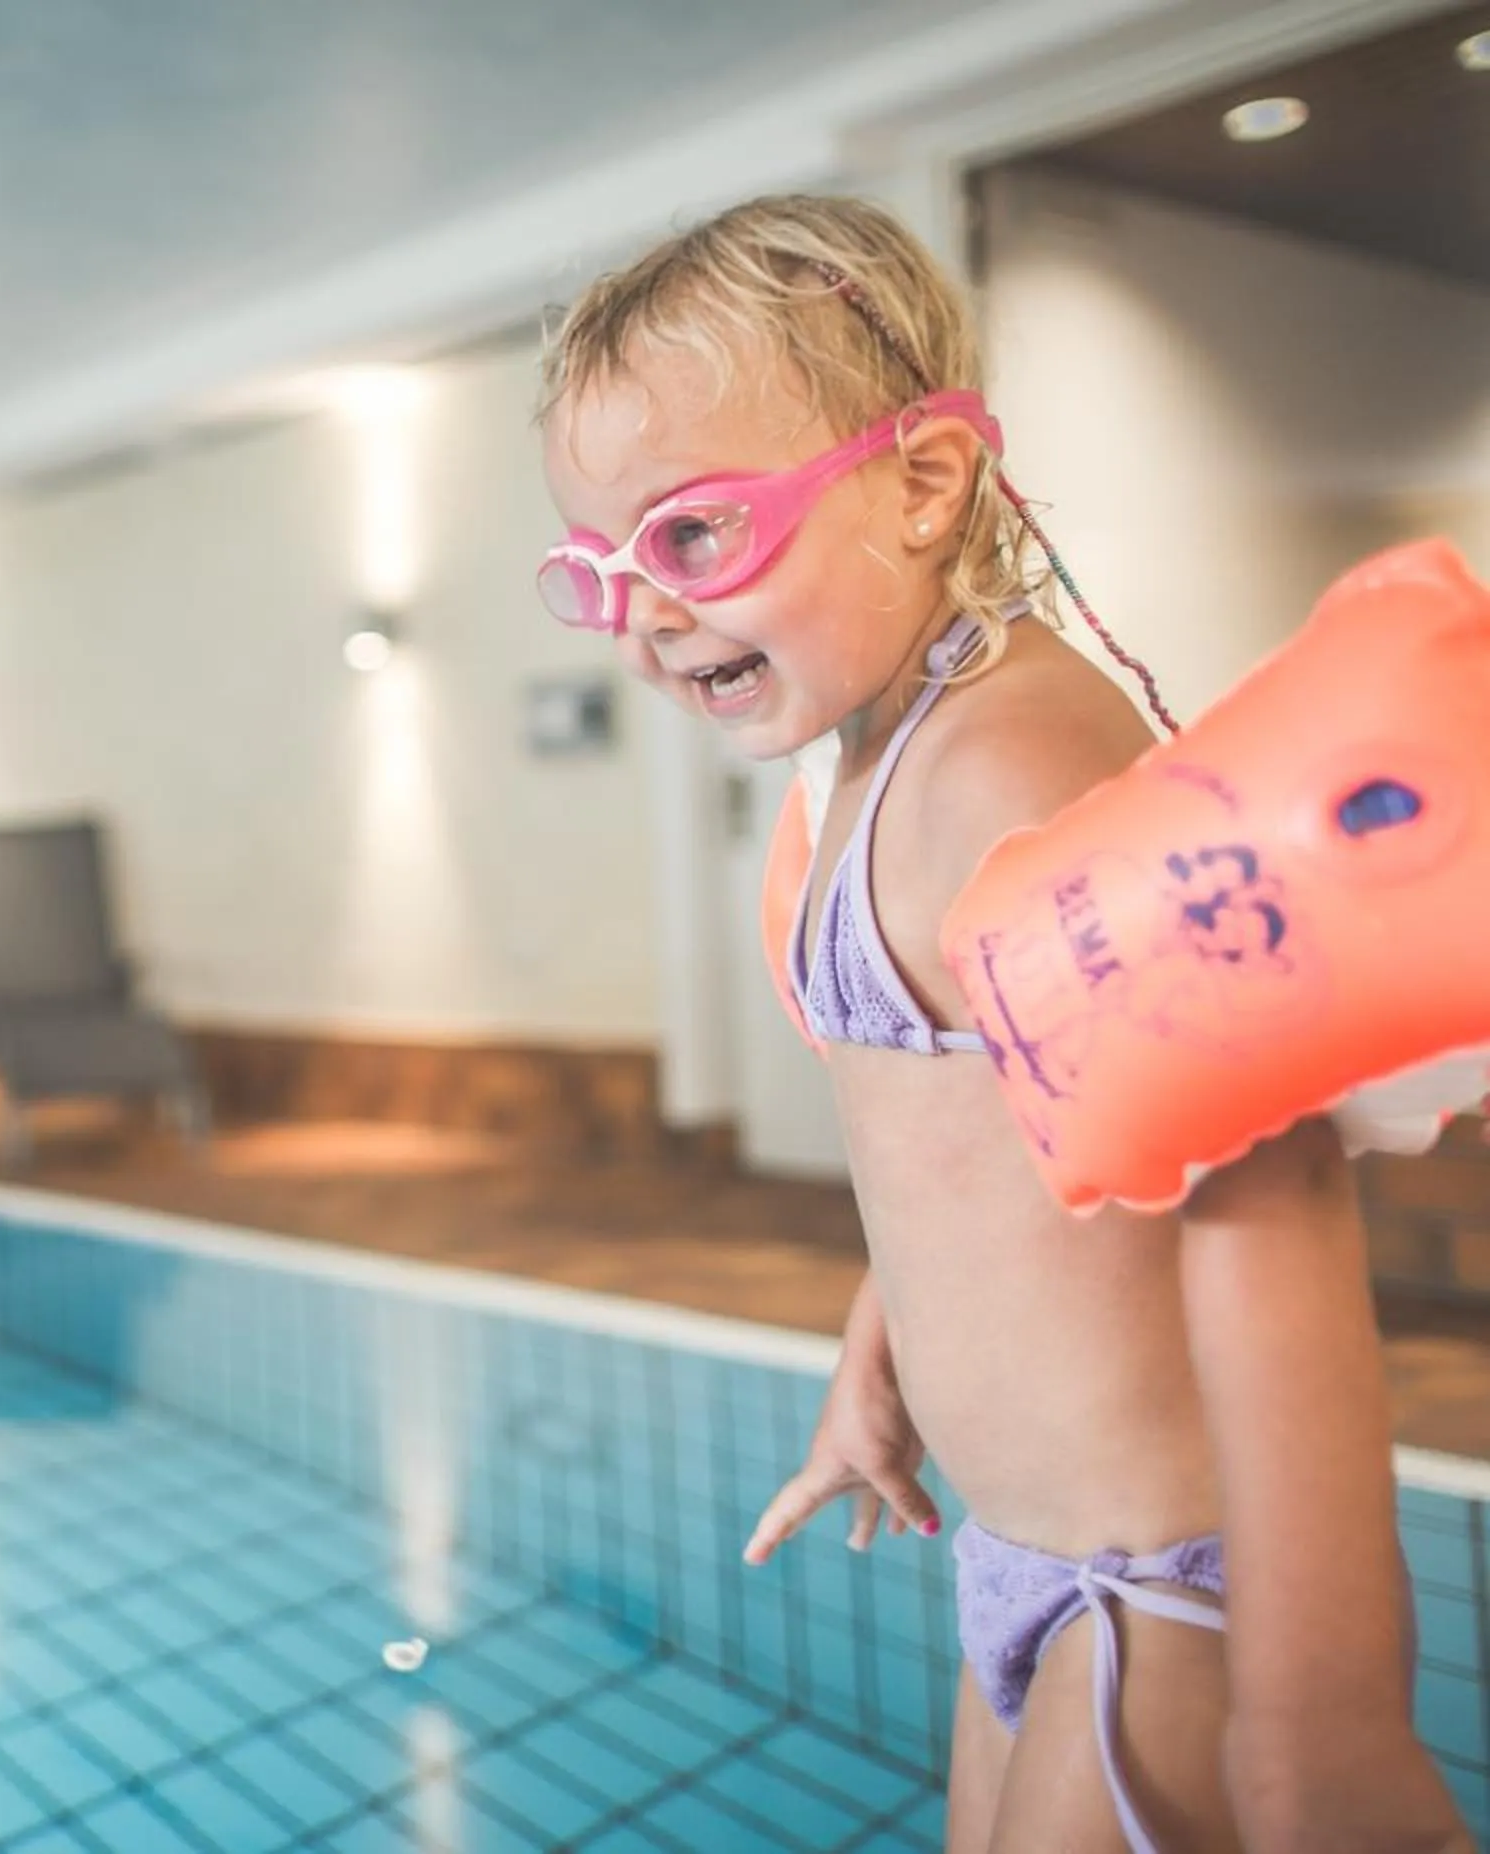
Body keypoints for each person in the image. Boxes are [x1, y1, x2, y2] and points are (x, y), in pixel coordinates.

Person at [534, 193, 1468, 1852]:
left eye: (691, 537)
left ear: (923, 479)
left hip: (1172, 1584)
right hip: (1027, 1550)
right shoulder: (871, 765)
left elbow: (1271, 1191)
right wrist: (878, 1343)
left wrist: (1327, 1716)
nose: (651, 615)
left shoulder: (1005, 770)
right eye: (602, 569)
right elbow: (974, 1141)